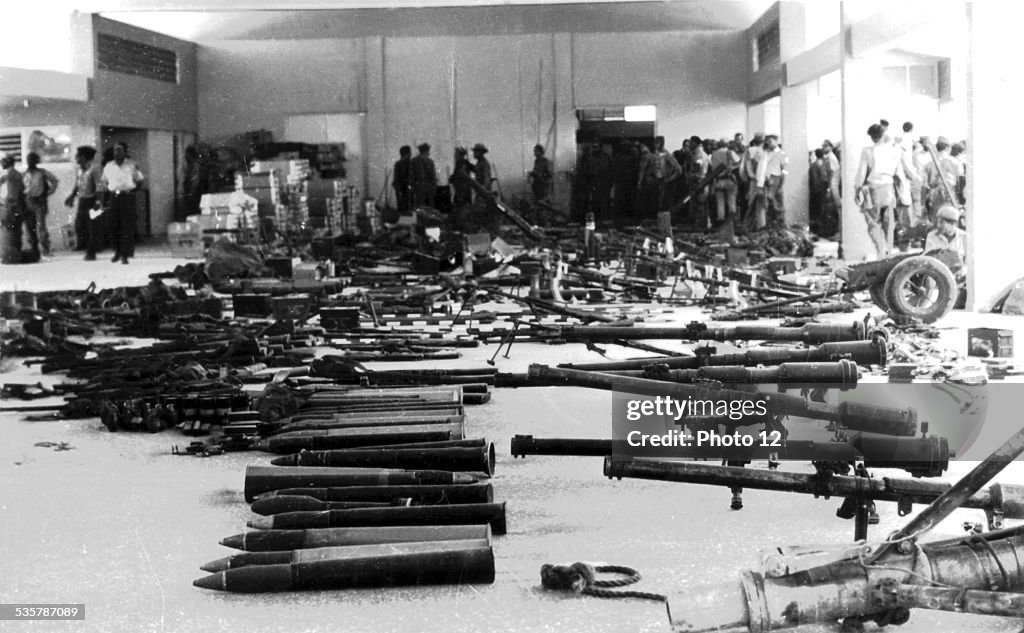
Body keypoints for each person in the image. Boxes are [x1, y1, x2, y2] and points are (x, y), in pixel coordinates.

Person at [855, 123, 904, 258]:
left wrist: (857, 189)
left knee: (873, 223)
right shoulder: (895, 150)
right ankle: (889, 249)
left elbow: (861, 173)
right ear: (883, 136)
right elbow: (899, 174)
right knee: (889, 222)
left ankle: (880, 250)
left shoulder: (867, 151)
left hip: (873, 189)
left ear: (871, 137)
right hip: (889, 188)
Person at [101, 142, 145, 265]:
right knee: (112, 224)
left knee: (127, 226)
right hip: (113, 196)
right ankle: (117, 251)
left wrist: (131, 191)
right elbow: (104, 181)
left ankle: (125, 254)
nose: (117, 153)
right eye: (115, 150)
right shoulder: (109, 166)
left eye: (119, 150)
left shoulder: (131, 165)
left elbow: (140, 180)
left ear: (125, 152)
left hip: (127, 196)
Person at [64, 146, 105, 259]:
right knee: (80, 225)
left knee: (93, 227)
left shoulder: (95, 168)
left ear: (85, 157)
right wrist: (72, 196)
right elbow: (77, 185)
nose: (76, 157)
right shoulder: (80, 170)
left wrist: (98, 202)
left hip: (93, 201)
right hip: (83, 201)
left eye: (78, 155)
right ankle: (88, 247)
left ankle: (91, 252)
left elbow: (99, 187)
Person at [22, 152, 59, 258]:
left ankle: (46, 249)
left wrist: (49, 192)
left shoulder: (42, 172)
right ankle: (34, 249)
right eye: (29, 159)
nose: (30, 162)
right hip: (28, 201)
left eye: (32, 159)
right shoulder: (25, 174)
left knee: (41, 227)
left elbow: (54, 180)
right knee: (30, 227)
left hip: (40, 201)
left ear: (36, 161)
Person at [709, 139, 741, 232]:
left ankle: (721, 221)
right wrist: (732, 167)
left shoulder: (714, 154)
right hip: (729, 180)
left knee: (720, 203)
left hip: (719, 181)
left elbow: (712, 167)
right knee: (731, 201)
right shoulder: (729, 152)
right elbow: (738, 162)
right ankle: (732, 222)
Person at [755, 134, 787, 227]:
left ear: (776, 142)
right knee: (766, 205)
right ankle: (767, 227)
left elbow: (783, 169)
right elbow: (761, 170)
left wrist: (781, 183)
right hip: (766, 182)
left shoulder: (781, 154)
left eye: (770, 141)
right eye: (767, 141)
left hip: (775, 181)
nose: (768, 143)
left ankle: (780, 226)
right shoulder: (765, 153)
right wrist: (760, 184)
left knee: (777, 205)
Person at [0, 153, 26, 263]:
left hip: (11, 207)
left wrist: (5, 203)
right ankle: (12, 256)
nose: (1, 163)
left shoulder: (12, 175)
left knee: (10, 232)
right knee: (13, 232)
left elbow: (13, 195)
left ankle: (11, 257)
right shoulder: (14, 175)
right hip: (14, 207)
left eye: (3, 161)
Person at [410, 143, 437, 208]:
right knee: (425, 206)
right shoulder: (429, 161)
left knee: (423, 206)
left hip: (421, 187)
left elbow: (411, 175)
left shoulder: (415, 160)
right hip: (423, 187)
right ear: (425, 151)